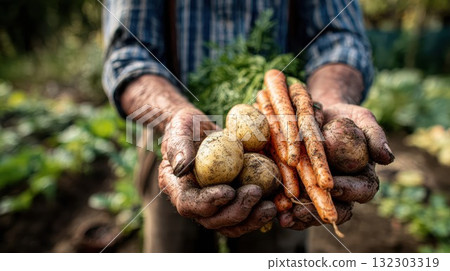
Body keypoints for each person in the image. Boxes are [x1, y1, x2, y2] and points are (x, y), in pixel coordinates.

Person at [102, 0, 394, 252]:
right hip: (173, 140)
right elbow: (128, 53)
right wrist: (174, 114)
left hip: (280, 166)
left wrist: (327, 101)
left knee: (278, 233)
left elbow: (339, 37)